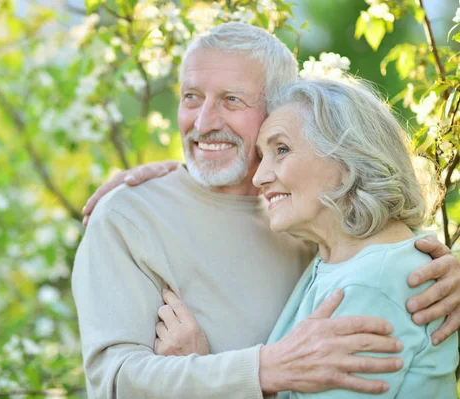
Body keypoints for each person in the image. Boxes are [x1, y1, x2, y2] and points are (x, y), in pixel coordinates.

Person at [72, 22, 460, 398]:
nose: (204, 122)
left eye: (232, 100)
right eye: (191, 96)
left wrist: (448, 269)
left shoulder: (306, 218)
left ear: (277, 109)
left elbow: (382, 259)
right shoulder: (127, 215)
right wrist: (259, 370)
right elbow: (113, 384)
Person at [148, 77, 459, 398]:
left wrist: (197, 373)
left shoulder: (370, 284)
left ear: (347, 156)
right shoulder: (344, 258)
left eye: (281, 149)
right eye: (261, 155)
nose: (259, 177)